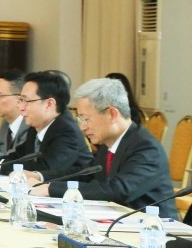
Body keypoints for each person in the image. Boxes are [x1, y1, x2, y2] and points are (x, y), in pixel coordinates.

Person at [30, 78, 176, 216]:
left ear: (112, 114)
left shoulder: (146, 148)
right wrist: (40, 177)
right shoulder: (110, 143)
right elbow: (86, 174)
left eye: (86, 119)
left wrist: (50, 190)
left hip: (155, 233)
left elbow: (118, 190)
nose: (82, 127)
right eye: (80, 119)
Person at [0, 70, 91, 178]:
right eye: (20, 100)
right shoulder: (37, 125)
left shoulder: (66, 130)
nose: (20, 107)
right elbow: (18, 157)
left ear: (49, 104)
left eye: (25, 101)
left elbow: (47, 168)